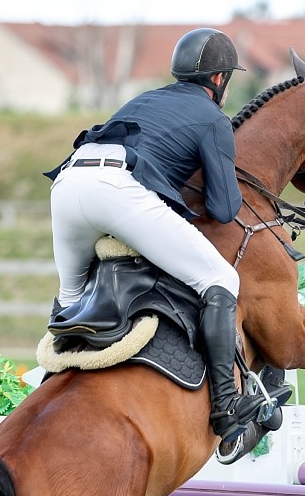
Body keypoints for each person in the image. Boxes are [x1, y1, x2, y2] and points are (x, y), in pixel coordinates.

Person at [45, 28, 271, 443]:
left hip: (67, 184)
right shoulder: (213, 118)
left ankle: (46, 387)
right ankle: (226, 407)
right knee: (221, 280)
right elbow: (223, 210)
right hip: (115, 194)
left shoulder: (145, 98)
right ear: (220, 80)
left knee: (72, 296)